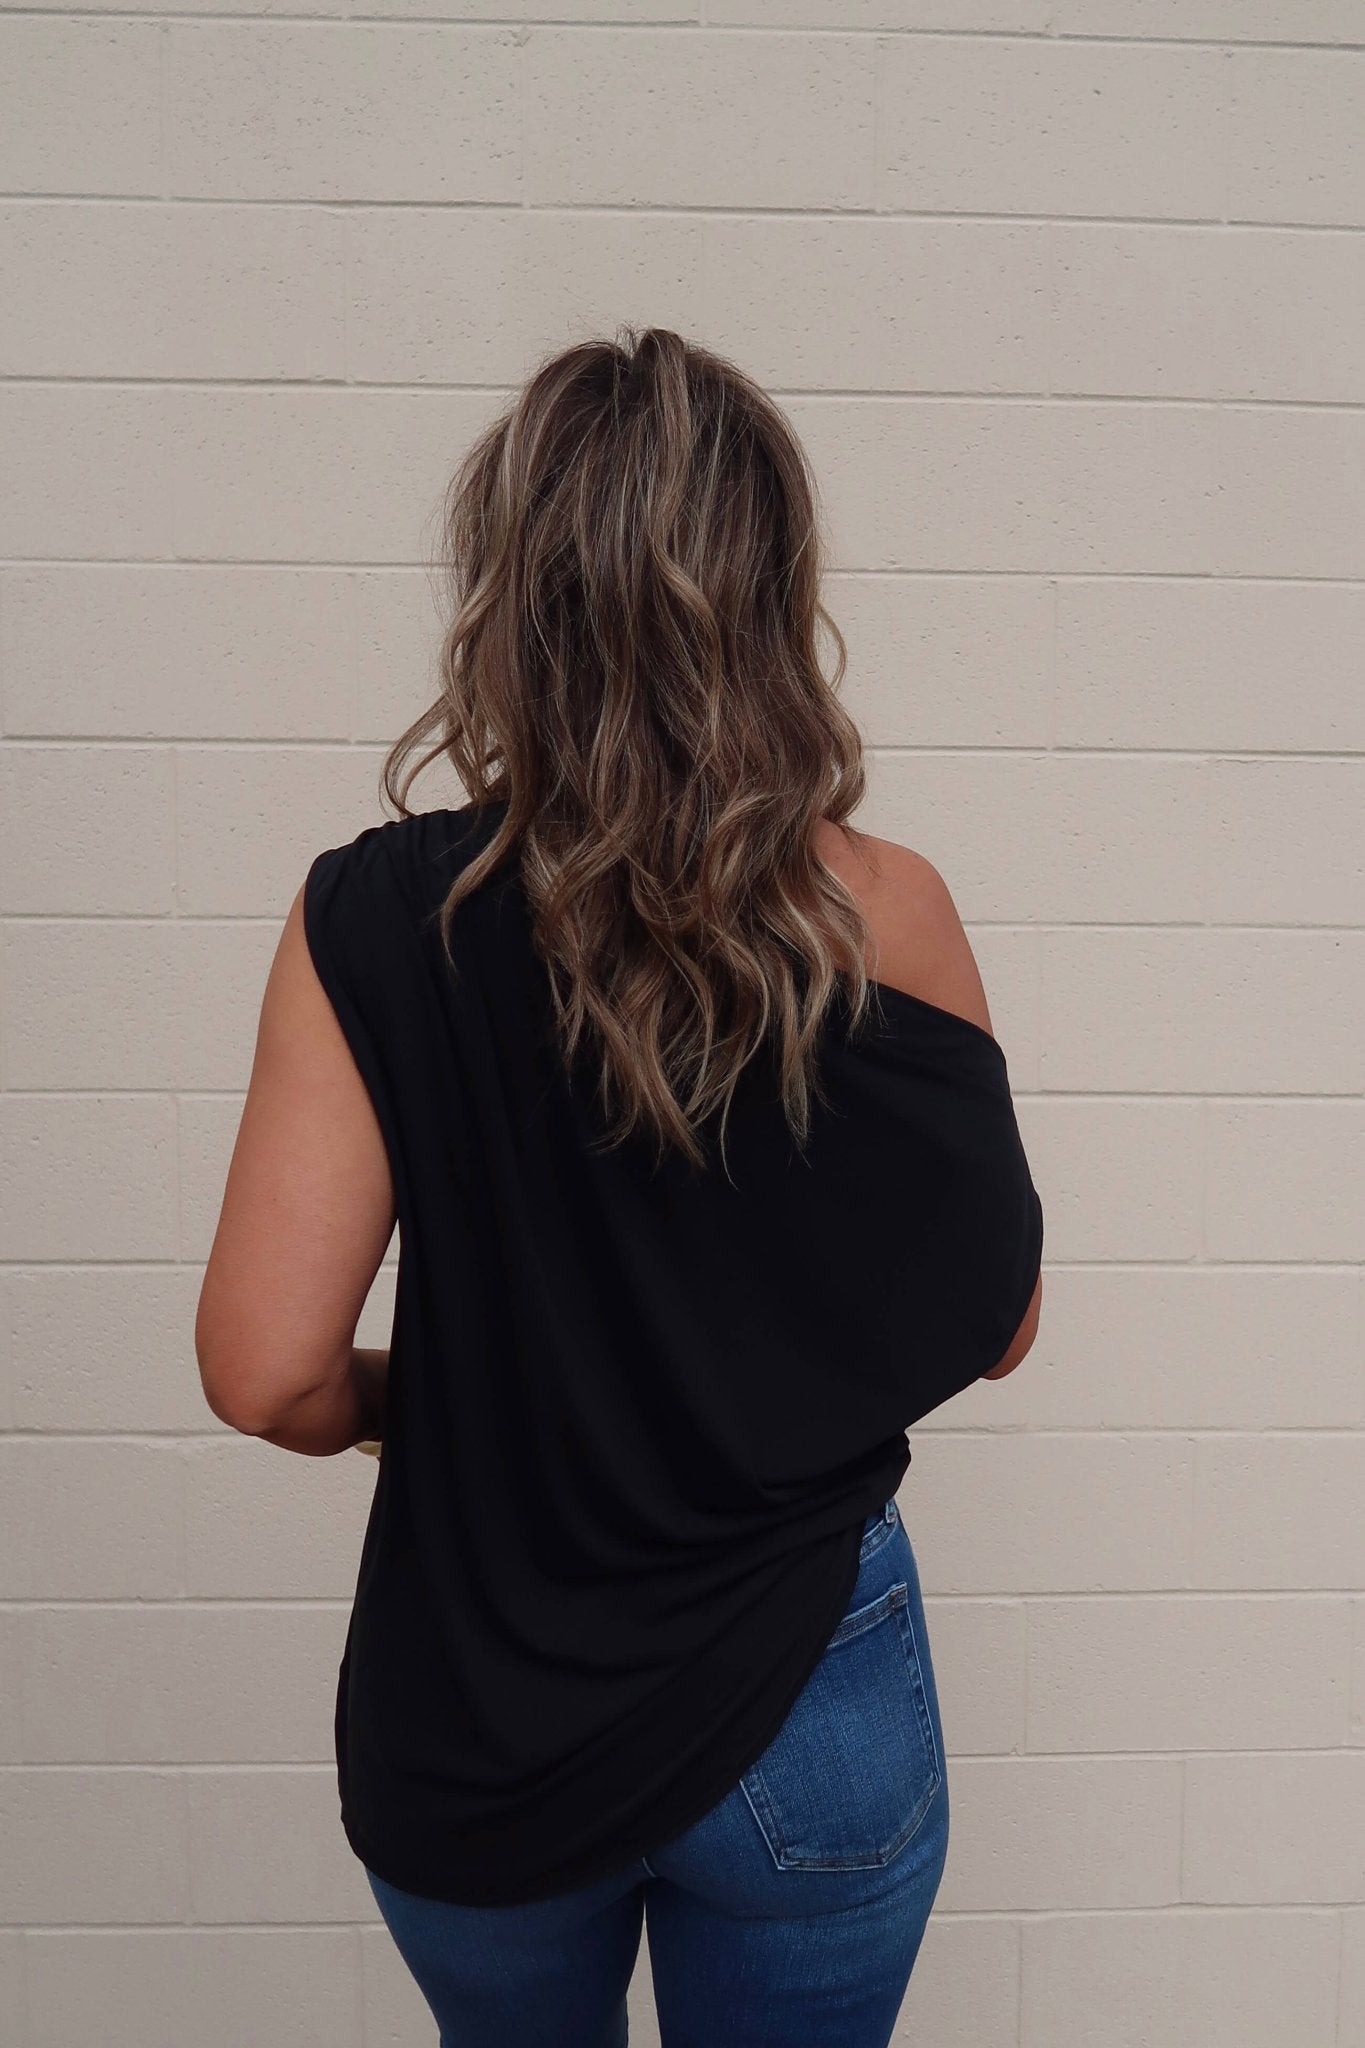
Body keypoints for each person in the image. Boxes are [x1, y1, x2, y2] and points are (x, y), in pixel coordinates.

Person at [196, 326, 1044, 2048]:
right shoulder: (879, 908)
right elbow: (999, 1322)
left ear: (511, 589)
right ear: (771, 587)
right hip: (803, 1691)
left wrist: (440, 1404)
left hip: (480, 1698)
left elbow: (266, 1374)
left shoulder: (372, 917)